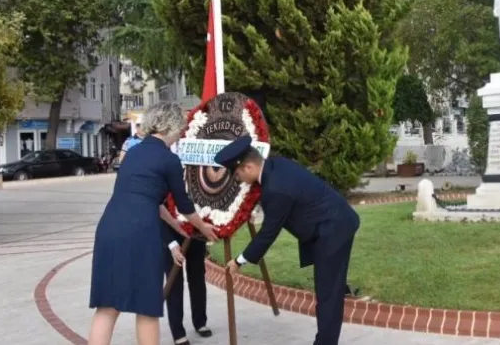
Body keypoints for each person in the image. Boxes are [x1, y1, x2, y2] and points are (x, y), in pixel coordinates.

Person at [88, 102, 219, 345]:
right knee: (147, 305)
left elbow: (151, 200)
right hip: (140, 231)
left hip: (109, 227)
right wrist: (203, 228)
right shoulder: (168, 160)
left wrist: (179, 229)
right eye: (180, 127)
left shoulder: (133, 152)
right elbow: (185, 206)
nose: (181, 132)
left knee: (107, 307)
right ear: (170, 126)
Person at [218, 136, 360, 345]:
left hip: (334, 229)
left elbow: (268, 233)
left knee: (328, 295)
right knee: (329, 289)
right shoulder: (277, 165)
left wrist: (240, 260)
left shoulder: (275, 189)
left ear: (248, 167)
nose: (239, 180)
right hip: (331, 223)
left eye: (238, 175)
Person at [163, 219, 212, 345]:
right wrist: (170, 243)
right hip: (170, 232)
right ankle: (178, 332)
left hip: (195, 231)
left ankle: (200, 322)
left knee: (198, 278)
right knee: (174, 282)